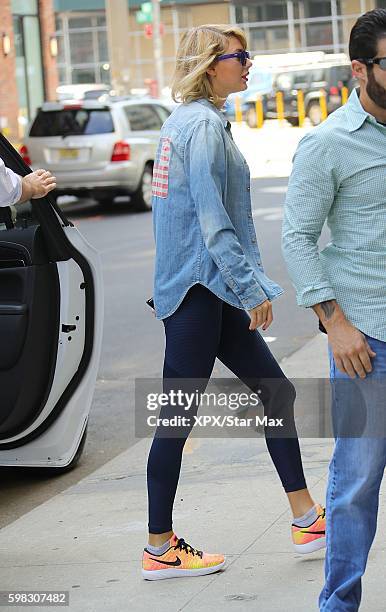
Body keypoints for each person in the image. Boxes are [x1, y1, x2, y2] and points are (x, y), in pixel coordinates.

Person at [142, 24, 326, 582]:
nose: (248, 64)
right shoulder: (200, 127)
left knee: (277, 391)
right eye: (238, 56)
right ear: (208, 64)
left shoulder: (193, 121)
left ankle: (306, 519)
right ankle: (158, 548)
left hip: (206, 289)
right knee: (177, 415)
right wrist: (253, 290)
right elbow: (211, 221)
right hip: (202, 291)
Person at [282, 9, 386, 611]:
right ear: (360, 69)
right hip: (367, 343)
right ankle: (338, 603)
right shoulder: (327, 144)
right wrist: (335, 321)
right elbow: (298, 237)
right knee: (356, 484)